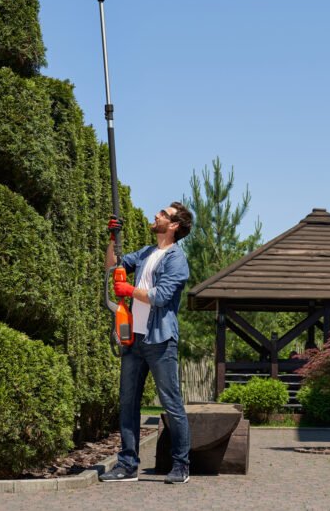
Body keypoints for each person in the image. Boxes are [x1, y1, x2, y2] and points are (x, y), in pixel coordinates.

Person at [99, 202, 194, 484]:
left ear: (174, 225)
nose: (157, 215)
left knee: (171, 404)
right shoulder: (146, 253)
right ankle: (127, 465)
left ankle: (181, 465)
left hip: (160, 341)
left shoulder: (177, 259)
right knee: (128, 403)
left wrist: (129, 289)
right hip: (134, 340)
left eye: (164, 214)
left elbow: (161, 296)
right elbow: (112, 267)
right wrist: (112, 238)